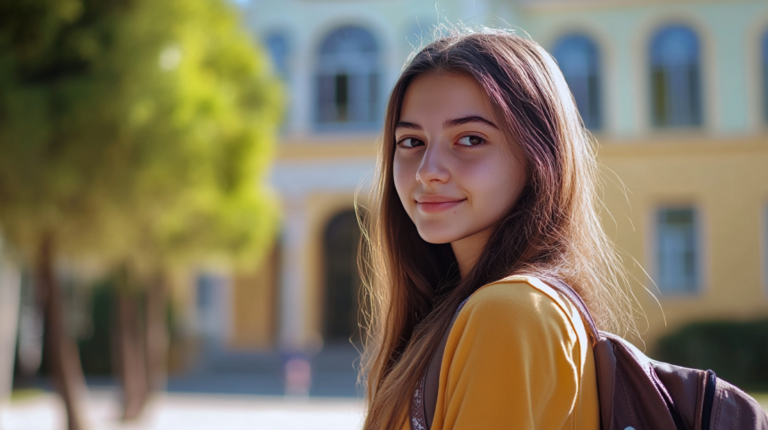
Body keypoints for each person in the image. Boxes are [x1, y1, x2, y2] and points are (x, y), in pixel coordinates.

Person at [359, 28, 637, 430]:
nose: (428, 171)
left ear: (540, 156)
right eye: (411, 141)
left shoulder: (509, 312)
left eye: (470, 139)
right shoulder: (468, 309)